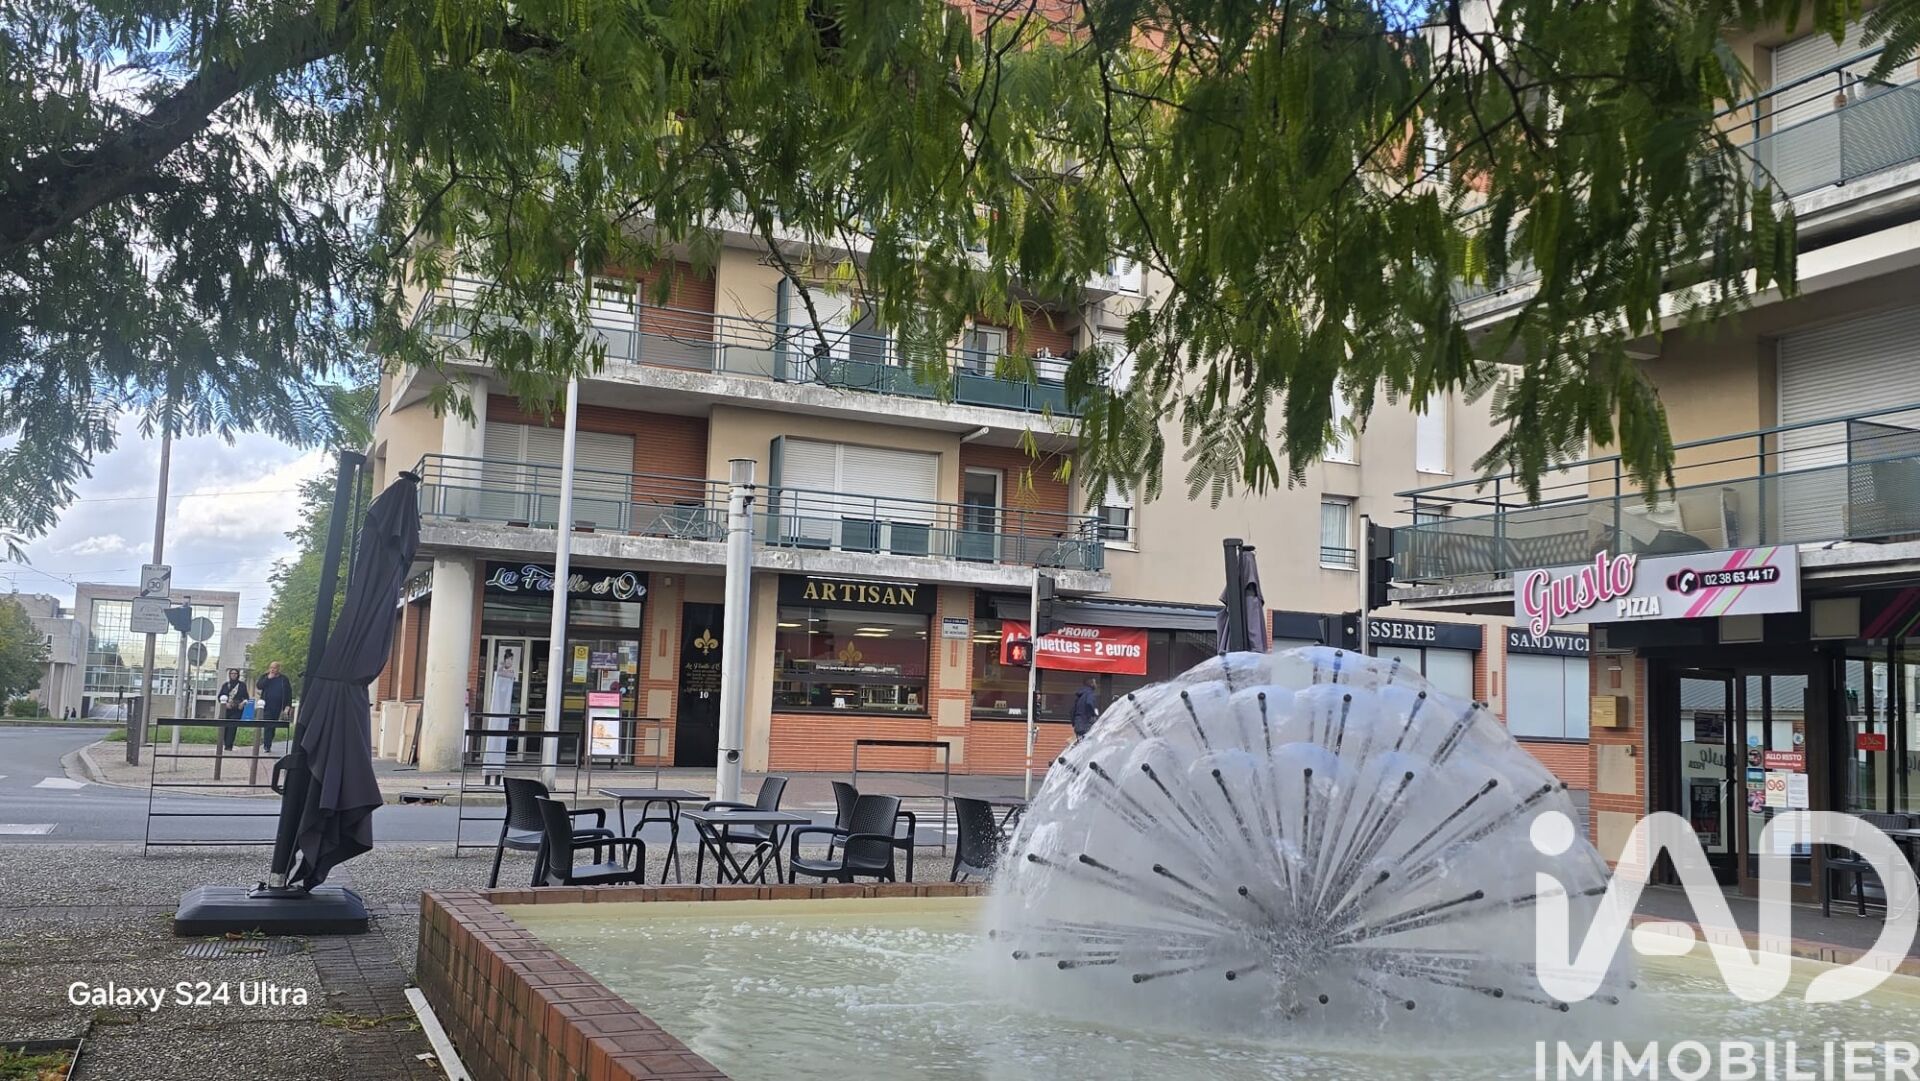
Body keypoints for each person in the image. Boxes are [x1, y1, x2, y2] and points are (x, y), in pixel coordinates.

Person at [256, 660, 293, 751]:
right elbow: (259, 686)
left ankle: (269, 741)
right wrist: (268, 678)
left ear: (278, 669)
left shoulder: (283, 679)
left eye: (274, 668)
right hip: (267, 706)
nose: (272, 670)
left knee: (273, 726)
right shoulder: (265, 676)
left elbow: (289, 693)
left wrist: (288, 705)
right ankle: (267, 746)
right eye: (271, 668)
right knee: (268, 725)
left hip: (279, 707)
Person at [217, 668, 250, 750]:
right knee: (225, 727)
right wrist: (225, 704)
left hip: (237, 710)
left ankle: (229, 745)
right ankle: (225, 743)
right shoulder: (226, 685)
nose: (233, 675)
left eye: (235, 673)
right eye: (232, 673)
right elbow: (220, 697)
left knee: (232, 727)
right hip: (226, 710)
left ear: (238, 675)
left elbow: (246, 698)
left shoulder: (242, 685)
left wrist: (243, 703)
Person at [1071, 675, 1099, 740]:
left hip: (1078, 724)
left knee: (1080, 742)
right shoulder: (1089, 693)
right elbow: (1089, 703)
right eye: (1095, 682)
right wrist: (1092, 716)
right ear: (1091, 684)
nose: (1096, 684)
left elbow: (1072, 711)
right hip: (1086, 724)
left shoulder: (1080, 695)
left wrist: (1074, 722)